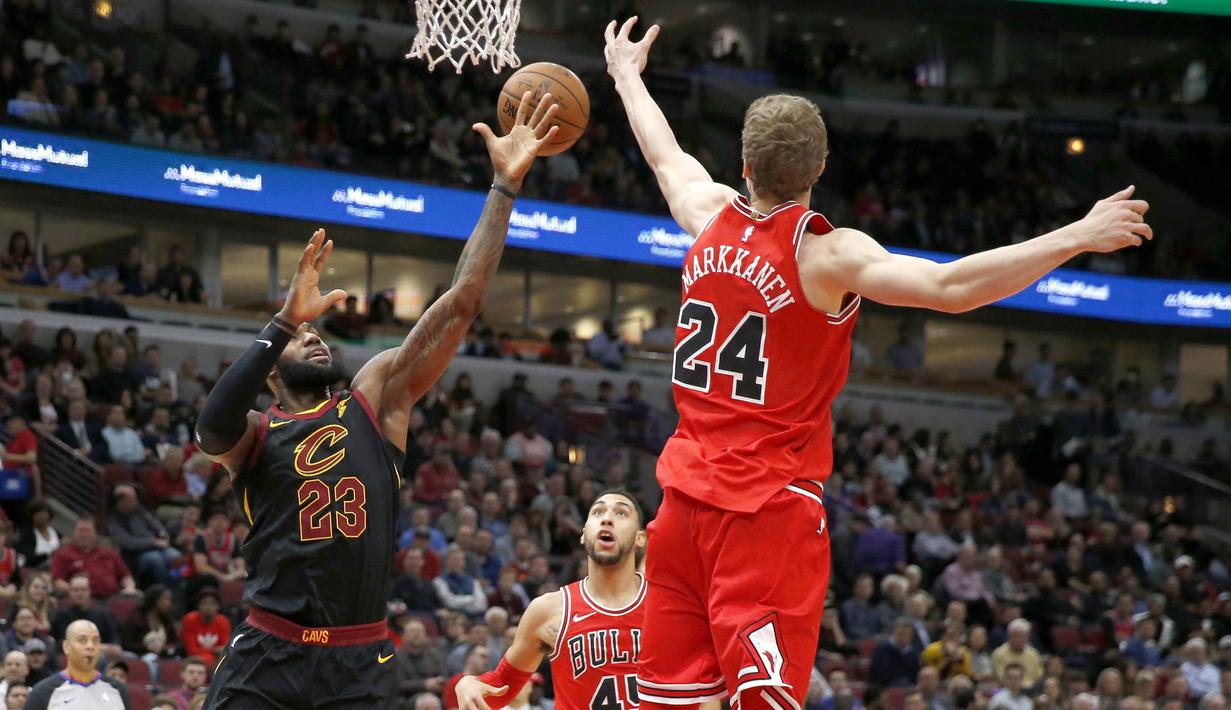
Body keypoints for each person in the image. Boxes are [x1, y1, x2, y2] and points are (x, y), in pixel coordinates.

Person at [604, 15, 1150, 708]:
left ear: (742, 165)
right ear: (820, 168)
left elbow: (664, 155)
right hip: (765, 512)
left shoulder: (706, 212)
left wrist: (626, 74)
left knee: (665, 702)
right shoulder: (824, 255)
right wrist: (1076, 234)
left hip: (680, 507)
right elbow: (951, 289)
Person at [196, 95, 560, 710]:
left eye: (316, 333)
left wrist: (504, 187)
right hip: (267, 653)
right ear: (270, 370)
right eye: (298, 339)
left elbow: (462, 301)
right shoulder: (255, 433)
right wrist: (285, 319)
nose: (314, 337)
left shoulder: (375, 399)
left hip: (359, 661)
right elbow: (210, 428)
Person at [454, 491, 650, 710]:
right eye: (598, 512)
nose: (607, 518)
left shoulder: (666, 605)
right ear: (584, 534)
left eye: (621, 513)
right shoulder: (548, 609)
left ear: (640, 537)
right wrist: (468, 682)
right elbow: (502, 687)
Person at [25, 620, 130, 709]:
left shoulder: (118, 690)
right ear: (66, 647)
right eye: (82, 640)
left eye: (95, 641)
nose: (90, 646)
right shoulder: (43, 692)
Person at [50, 519, 136, 598]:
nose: (84, 534)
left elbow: (126, 576)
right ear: (74, 532)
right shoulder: (63, 554)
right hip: (81, 599)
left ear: (95, 533)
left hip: (112, 598)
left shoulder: (109, 553)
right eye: (80, 530)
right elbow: (57, 581)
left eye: (88, 531)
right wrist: (77, 591)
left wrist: (129, 588)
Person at [49, 574, 123, 658]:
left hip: (103, 654)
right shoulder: (62, 616)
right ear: (70, 592)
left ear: (89, 592)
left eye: (83, 590)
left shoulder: (103, 614)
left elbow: (114, 641)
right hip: (74, 657)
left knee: (130, 656)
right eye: (75, 590)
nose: (80, 593)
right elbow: (61, 643)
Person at [180, 588, 230, 668]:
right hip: (194, 660)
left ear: (218, 606)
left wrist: (211, 651)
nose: (209, 607)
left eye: (213, 604)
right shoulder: (189, 619)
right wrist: (214, 650)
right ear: (198, 605)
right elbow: (191, 650)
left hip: (217, 661)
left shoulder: (223, 621)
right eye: (204, 603)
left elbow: (224, 649)